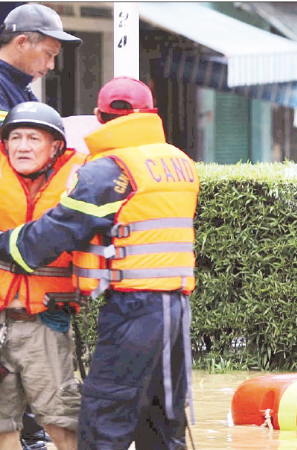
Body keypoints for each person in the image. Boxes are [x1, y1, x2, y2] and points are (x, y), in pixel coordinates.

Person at [0, 76, 198, 449]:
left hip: (133, 309)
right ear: (152, 113)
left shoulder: (110, 170)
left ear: (98, 117)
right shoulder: (179, 162)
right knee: (163, 419)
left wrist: (6, 244)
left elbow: (46, 240)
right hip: (176, 308)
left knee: (103, 419)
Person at [0, 102, 85, 450]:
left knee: (62, 422)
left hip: (47, 322)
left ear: (55, 147)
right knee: (1, 424)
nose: (22, 146)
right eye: (15, 137)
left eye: (33, 138)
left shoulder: (80, 181)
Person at [0, 3, 81, 123]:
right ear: (21, 43)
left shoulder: (19, 85)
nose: (51, 65)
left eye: (54, 57)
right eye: (48, 54)